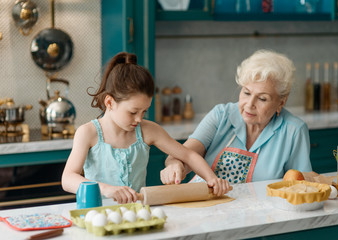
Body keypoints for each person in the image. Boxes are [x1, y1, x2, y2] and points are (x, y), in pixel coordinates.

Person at [61, 52, 231, 204]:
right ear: (109, 102)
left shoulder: (147, 130)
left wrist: (212, 179)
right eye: (133, 112)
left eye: (144, 111)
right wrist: (106, 189)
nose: (139, 119)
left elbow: (188, 155)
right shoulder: (88, 133)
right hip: (97, 214)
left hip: (138, 214)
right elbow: (68, 179)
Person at [161, 49, 312, 185]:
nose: (249, 104)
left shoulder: (293, 131)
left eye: (262, 99)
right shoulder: (221, 116)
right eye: (246, 93)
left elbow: (302, 186)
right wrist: (175, 165)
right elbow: (183, 155)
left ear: (281, 102)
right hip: (205, 209)